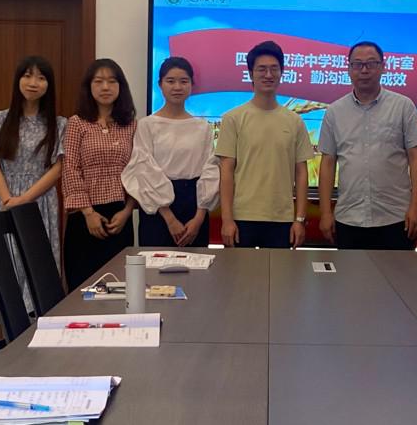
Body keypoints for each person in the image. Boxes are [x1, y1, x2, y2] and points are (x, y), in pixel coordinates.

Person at [0, 55, 66, 318]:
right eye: (27, 76)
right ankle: (8, 333)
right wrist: (8, 200)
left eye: (41, 77)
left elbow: (58, 168)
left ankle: (37, 335)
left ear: (49, 84)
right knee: (4, 264)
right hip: (3, 200)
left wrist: (25, 199)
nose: (33, 83)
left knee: (36, 266)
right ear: (18, 80)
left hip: (40, 203)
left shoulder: (60, 123)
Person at [318, 41, 417, 249]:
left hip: (396, 217)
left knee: (398, 271)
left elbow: (416, 158)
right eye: (357, 64)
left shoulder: (402, 106)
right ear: (349, 69)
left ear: (383, 67)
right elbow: (328, 163)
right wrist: (325, 212)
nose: (364, 70)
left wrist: (416, 207)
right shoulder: (335, 112)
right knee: (350, 271)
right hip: (349, 217)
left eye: (371, 63)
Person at [216, 41, 315, 248]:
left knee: (280, 270)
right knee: (240, 270)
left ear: (282, 73)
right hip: (242, 217)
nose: (268, 75)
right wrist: (227, 219)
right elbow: (226, 172)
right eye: (261, 69)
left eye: (274, 69)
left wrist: (299, 219)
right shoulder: (233, 118)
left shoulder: (295, 121)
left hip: (282, 219)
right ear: (251, 74)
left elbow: (301, 173)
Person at [122, 57, 219, 247]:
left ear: (192, 85)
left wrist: (199, 218)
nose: (177, 87)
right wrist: (170, 219)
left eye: (184, 81)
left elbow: (210, 171)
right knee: (155, 263)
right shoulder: (146, 125)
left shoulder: (202, 127)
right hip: (158, 208)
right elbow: (144, 169)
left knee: (196, 263)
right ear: (160, 84)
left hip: (194, 205)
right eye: (170, 81)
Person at [62, 58, 137, 289]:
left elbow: (138, 171)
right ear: (89, 86)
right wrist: (88, 213)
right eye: (99, 81)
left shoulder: (131, 125)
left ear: (121, 86)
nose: (106, 87)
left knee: (119, 287)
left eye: (112, 81)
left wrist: (127, 211)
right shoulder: (77, 123)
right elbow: (70, 168)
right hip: (84, 217)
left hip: (120, 216)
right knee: (83, 288)